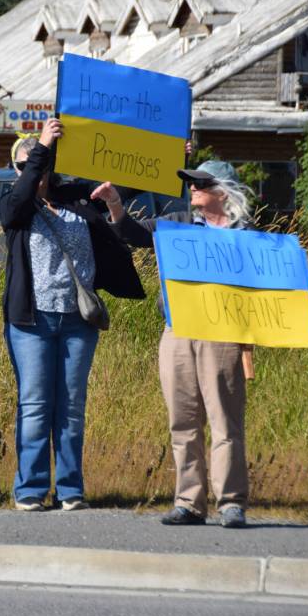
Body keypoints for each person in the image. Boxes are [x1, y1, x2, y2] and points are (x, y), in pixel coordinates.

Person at [93, 160, 255, 529]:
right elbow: (132, 234)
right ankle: (189, 502)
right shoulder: (178, 224)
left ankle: (231, 503)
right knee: (182, 421)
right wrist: (116, 203)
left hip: (224, 334)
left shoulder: (245, 234)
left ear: (223, 191)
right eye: (191, 182)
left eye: (200, 183)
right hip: (178, 331)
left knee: (224, 421)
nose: (192, 188)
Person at [0, 119, 145, 512]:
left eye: (40, 164)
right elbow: (21, 195)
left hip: (78, 320)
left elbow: (129, 184)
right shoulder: (14, 204)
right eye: (23, 165)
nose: (32, 171)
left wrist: (167, 164)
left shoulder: (77, 197)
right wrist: (40, 149)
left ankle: (69, 489)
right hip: (32, 321)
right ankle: (30, 489)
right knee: (34, 405)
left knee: (71, 407)